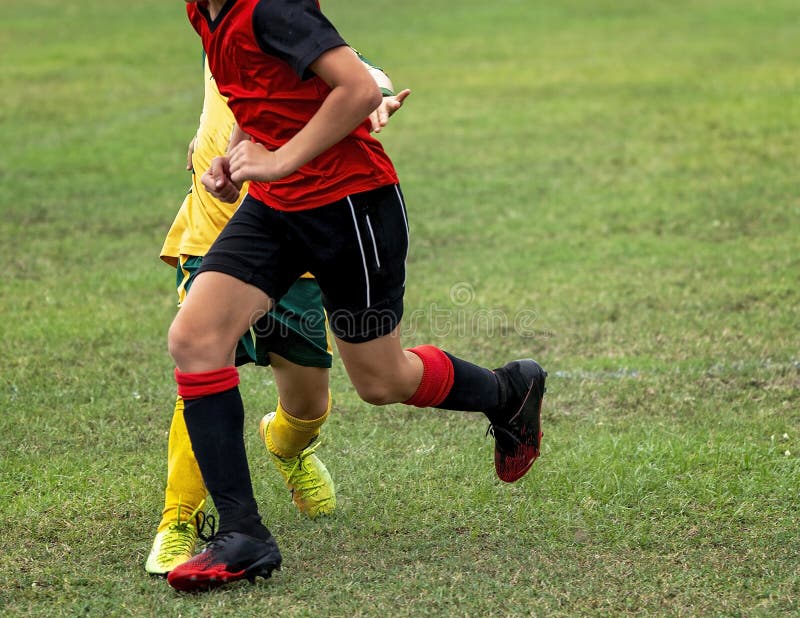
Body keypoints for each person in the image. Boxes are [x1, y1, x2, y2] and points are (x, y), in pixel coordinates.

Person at [167, 0, 547, 592]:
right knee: (195, 337)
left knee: (380, 381)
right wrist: (237, 153)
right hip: (275, 209)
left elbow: (356, 89)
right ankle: (242, 535)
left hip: (351, 207)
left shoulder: (268, 6)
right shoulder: (203, 10)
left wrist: (276, 160)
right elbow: (258, 90)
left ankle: (507, 391)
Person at [145, 50, 408, 576]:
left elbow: (359, 69)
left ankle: (287, 446)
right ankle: (179, 521)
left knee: (309, 402)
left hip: (298, 237)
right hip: (217, 233)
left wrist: (376, 92)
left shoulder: (280, 23)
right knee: (201, 358)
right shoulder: (214, 25)